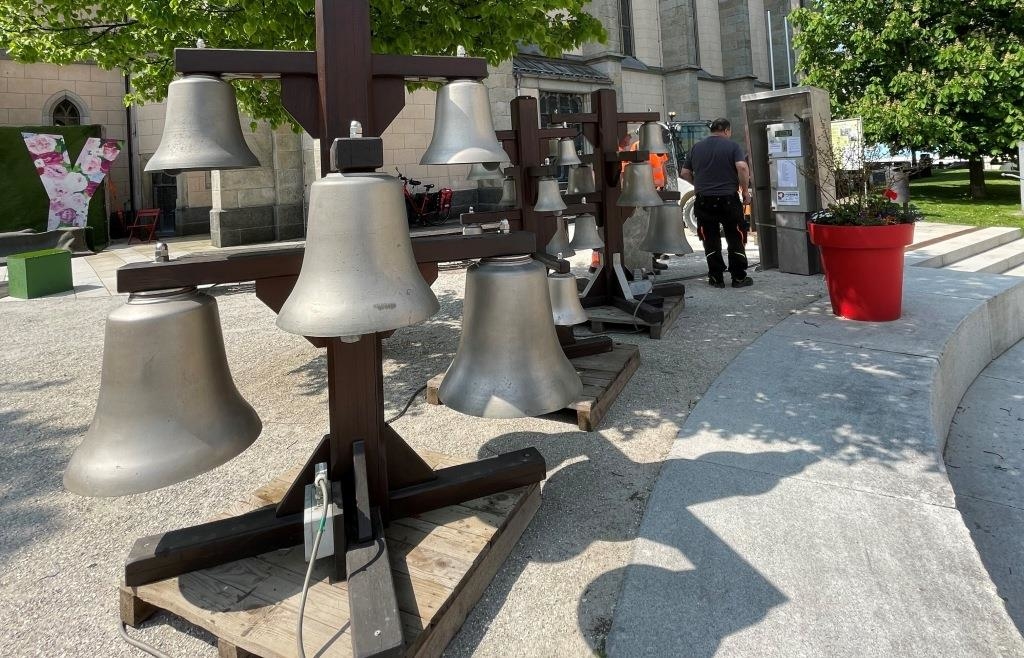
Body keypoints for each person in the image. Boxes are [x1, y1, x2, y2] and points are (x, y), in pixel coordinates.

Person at [680, 117, 753, 288]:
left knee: (710, 238)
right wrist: (744, 190)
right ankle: (739, 277)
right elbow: (742, 167)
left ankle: (716, 278)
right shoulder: (733, 146)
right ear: (727, 130)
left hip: (704, 200)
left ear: (711, 130)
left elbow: (684, 173)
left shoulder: (696, 147)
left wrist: (699, 185)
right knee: (735, 236)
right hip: (728, 199)